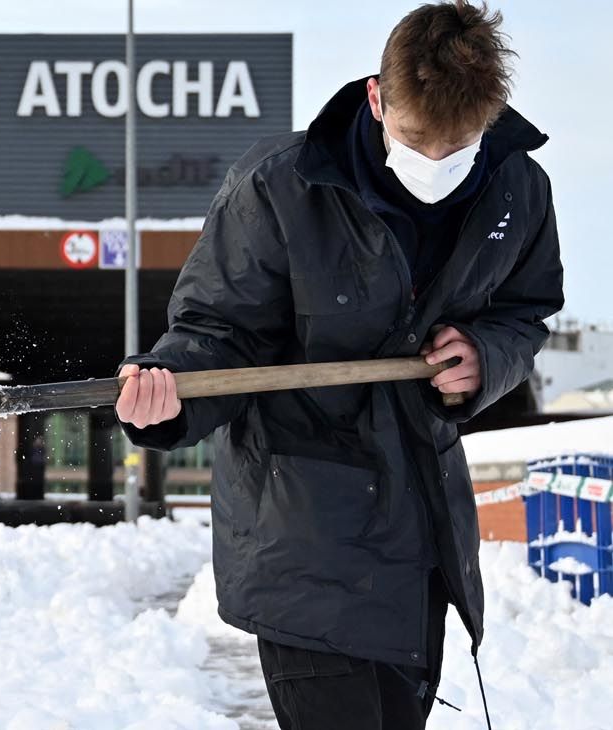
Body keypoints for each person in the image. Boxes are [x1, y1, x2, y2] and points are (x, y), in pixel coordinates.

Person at [114, 2, 563, 728]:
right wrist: (174, 392)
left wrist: (487, 357)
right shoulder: (281, 185)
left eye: (461, 148)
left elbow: (526, 311)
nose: (439, 167)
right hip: (304, 526)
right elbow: (218, 331)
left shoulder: (517, 187)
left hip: (421, 524)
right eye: (420, 142)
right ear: (377, 99)